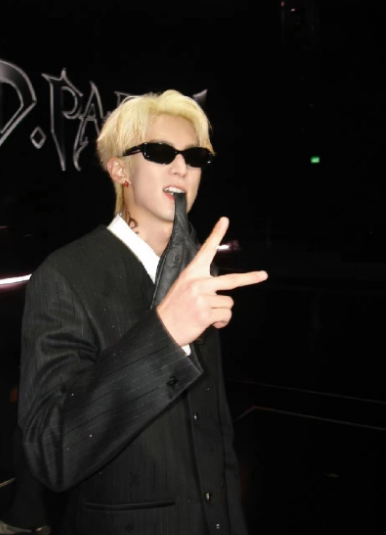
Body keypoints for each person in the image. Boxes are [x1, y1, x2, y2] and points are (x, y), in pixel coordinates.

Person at [17, 89, 268, 534]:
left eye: (194, 156)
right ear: (119, 169)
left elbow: (213, 431)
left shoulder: (196, 270)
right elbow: (51, 451)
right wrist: (165, 334)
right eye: (159, 152)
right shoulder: (65, 274)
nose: (181, 167)